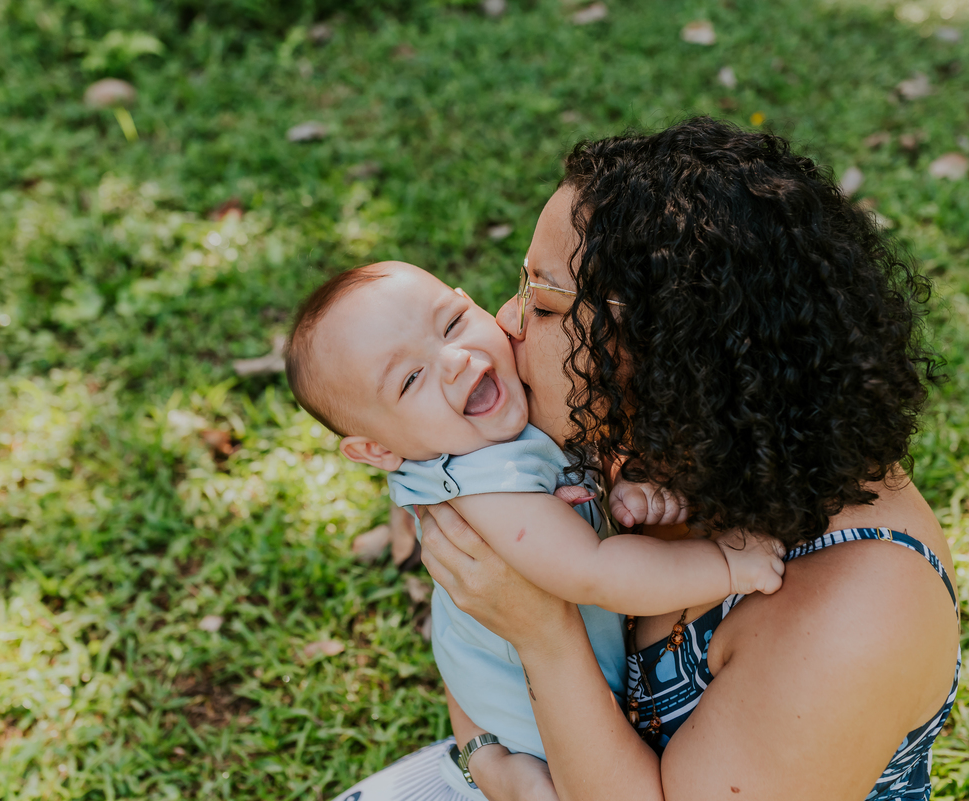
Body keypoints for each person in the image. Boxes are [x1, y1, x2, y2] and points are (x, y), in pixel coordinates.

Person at [418, 117, 961, 801]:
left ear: (664, 354)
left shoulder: (854, 610)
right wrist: (484, 755)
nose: (505, 319)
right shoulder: (646, 449)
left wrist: (542, 634)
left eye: (546, 303)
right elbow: (468, 622)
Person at [281, 260, 787, 800]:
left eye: (452, 323)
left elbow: (570, 475)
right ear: (377, 450)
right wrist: (728, 566)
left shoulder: (478, 432)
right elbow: (594, 573)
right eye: (409, 379)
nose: (455, 360)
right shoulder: (484, 487)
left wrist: (620, 490)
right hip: (542, 751)